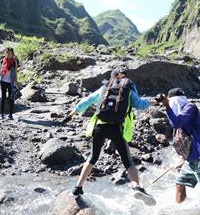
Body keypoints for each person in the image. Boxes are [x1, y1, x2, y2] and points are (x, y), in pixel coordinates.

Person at [64, 68, 158, 206]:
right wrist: (153, 102)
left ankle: (78, 188)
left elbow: (88, 100)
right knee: (127, 160)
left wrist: (73, 112)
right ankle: (137, 188)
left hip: (99, 126)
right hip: (116, 127)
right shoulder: (128, 90)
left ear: (111, 78)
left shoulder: (104, 88)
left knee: (93, 157)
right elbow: (140, 105)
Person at [0, 47, 18, 120]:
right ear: (5, 53)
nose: (9, 55)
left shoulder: (14, 62)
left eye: (11, 53)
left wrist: (16, 82)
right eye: (8, 53)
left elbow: (15, 73)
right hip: (3, 81)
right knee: (3, 98)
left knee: (11, 98)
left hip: (10, 82)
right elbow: (0, 72)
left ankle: (10, 115)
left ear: (12, 54)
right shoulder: (1, 61)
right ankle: (2, 114)